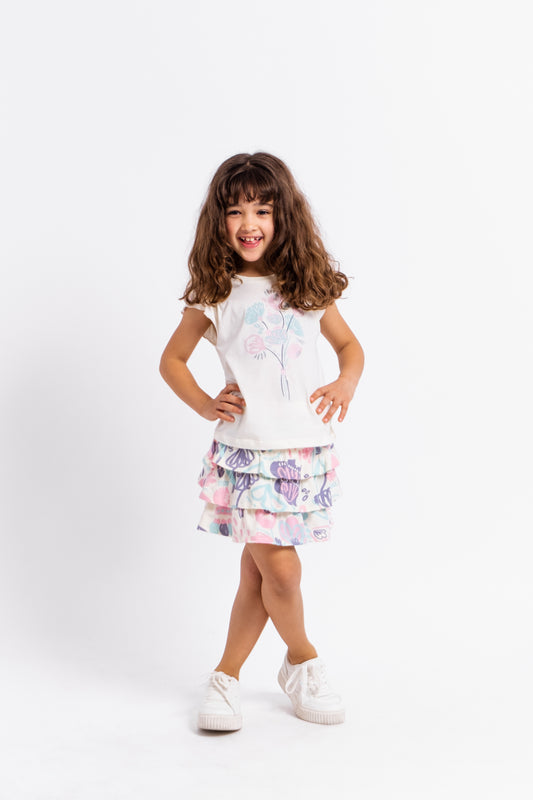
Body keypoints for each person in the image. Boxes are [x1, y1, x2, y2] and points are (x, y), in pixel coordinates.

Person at [159, 152, 364, 730]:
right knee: (282, 572)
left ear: (283, 216)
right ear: (219, 220)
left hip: (302, 452)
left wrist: (346, 381)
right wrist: (206, 403)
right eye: (235, 211)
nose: (249, 223)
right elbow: (172, 360)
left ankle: (226, 677)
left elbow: (350, 347)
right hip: (248, 455)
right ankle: (302, 659)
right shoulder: (217, 292)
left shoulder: (307, 287)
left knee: (260, 575)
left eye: (263, 210)